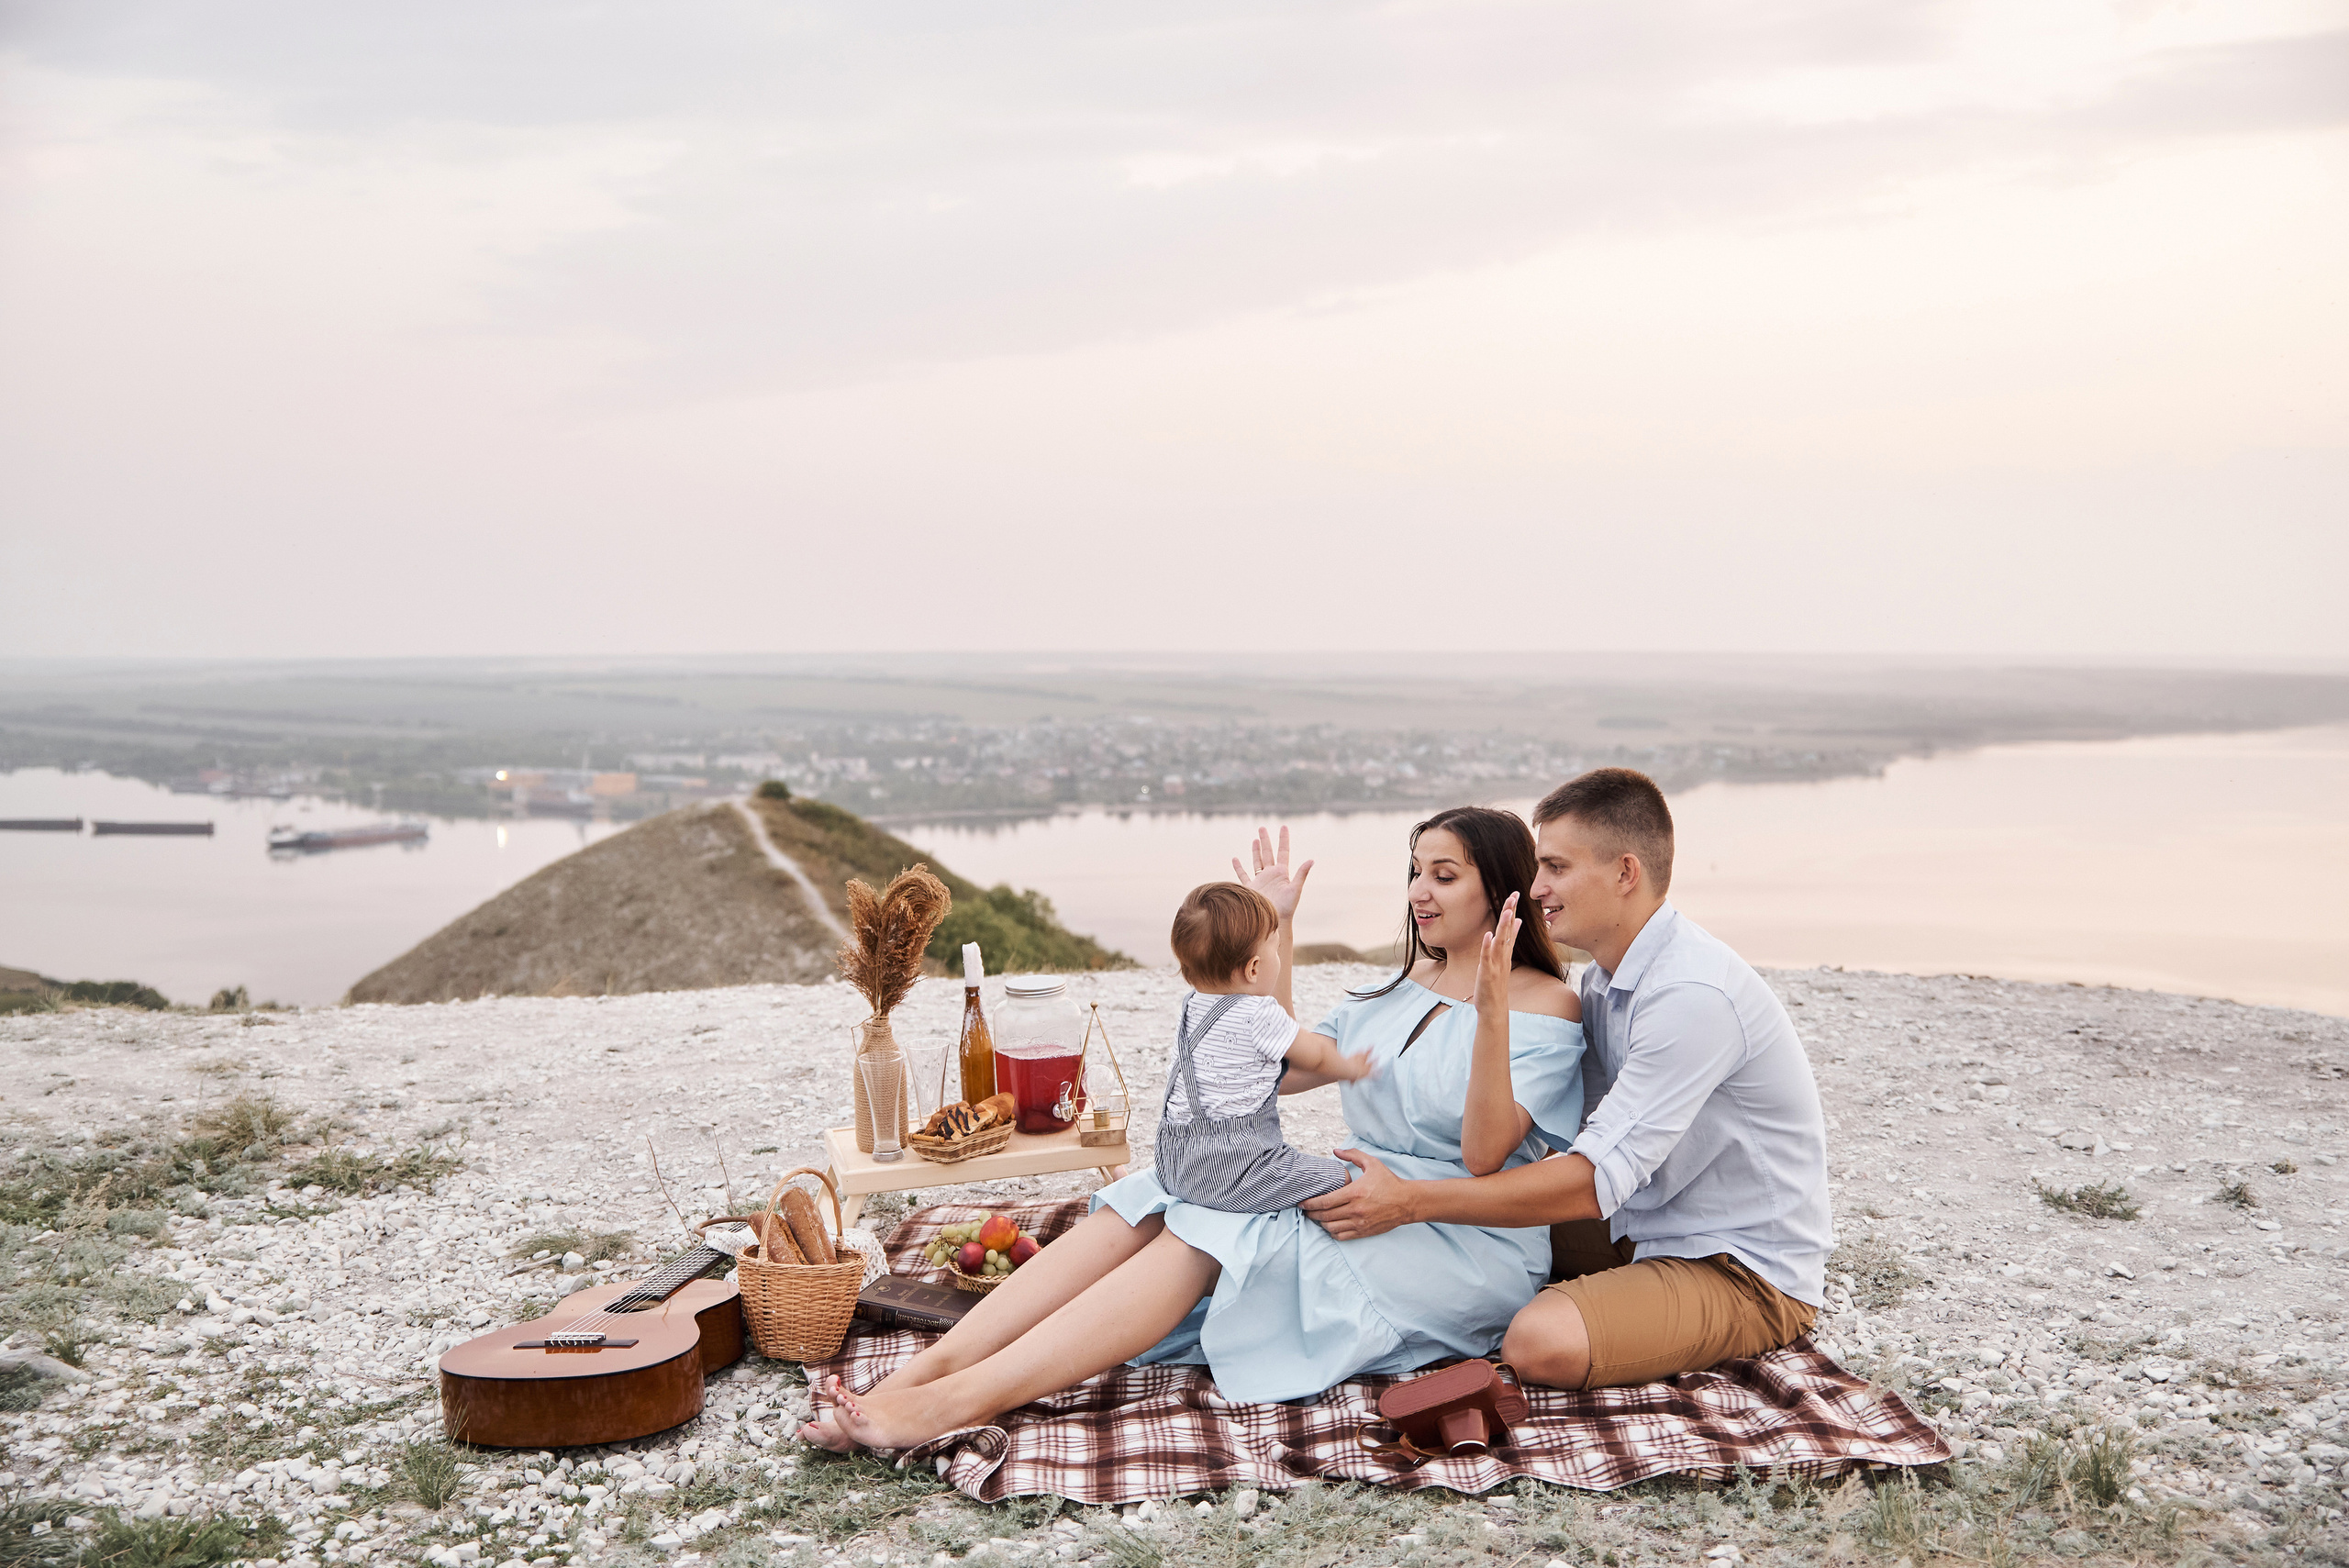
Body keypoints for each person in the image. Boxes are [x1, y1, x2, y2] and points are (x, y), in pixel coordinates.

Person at [800, 811, 1583, 1452]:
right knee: (1154, 1194)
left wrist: (1491, 1013)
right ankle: (933, 1368)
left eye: (1444, 875)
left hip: (1458, 1233)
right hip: (1358, 1195)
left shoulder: (1546, 1002)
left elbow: (1485, 1156)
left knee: (1210, 1225)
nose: (1420, 890)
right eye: (1415, 870)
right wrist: (1272, 927)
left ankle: (959, 1401)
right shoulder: (1401, 985)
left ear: (1501, 890)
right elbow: (1274, 1064)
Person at [1303, 768, 1833, 1392]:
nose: (1535, 886)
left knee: (1537, 1340)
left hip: (1736, 1263)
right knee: (1453, 1237)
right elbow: (1522, 1146)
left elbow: (1588, 1181)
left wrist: (1410, 1201)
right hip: (1638, 1221)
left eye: (1554, 866)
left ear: (1624, 873)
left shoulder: (1691, 995)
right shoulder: (1604, 984)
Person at [1152, 881, 1375, 1213]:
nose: (1280, 957)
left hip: (1174, 1166)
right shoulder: (1259, 1013)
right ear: (1254, 968)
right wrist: (1349, 1067)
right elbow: (1313, 1055)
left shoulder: (1191, 1006)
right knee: (1339, 1178)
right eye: (1276, 948)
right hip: (1236, 1170)